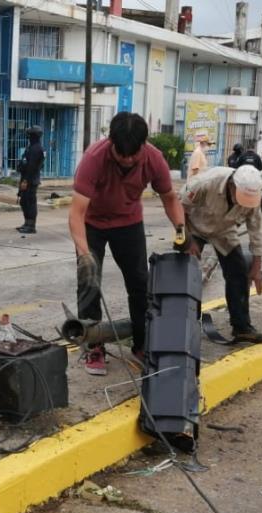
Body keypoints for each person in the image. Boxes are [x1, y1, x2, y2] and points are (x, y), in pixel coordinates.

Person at [69, 112, 186, 376]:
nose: (128, 159)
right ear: (111, 142)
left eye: (134, 154)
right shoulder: (94, 159)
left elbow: (169, 197)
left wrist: (181, 229)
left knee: (140, 283)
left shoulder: (153, 158)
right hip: (92, 223)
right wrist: (84, 254)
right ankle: (93, 345)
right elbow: (76, 213)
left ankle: (142, 344)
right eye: (122, 154)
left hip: (128, 223)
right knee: (89, 281)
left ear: (143, 145)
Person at [181, 165, 262, 343]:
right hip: (193, 227)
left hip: (224, 231)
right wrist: (187, 239)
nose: (243, 203)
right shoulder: (206, 183)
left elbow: (255, 231)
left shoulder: (253, 197)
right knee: (182, 271)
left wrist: (257, 268)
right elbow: (180, 207)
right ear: (231, 186)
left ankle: (241, 327)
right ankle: (179, 322)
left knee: (239, 272)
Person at [16, 125, 45, 234]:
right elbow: (25, 162)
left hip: (30, 179)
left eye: (29, 135)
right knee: (24, 201)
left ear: (34, 136)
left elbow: (33, 167)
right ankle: (27, 223)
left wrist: (25, 181)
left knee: (30, 202)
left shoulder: (37, 149)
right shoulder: (31, 147)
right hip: (26, 177)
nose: (28, 136)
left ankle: (31, 226)